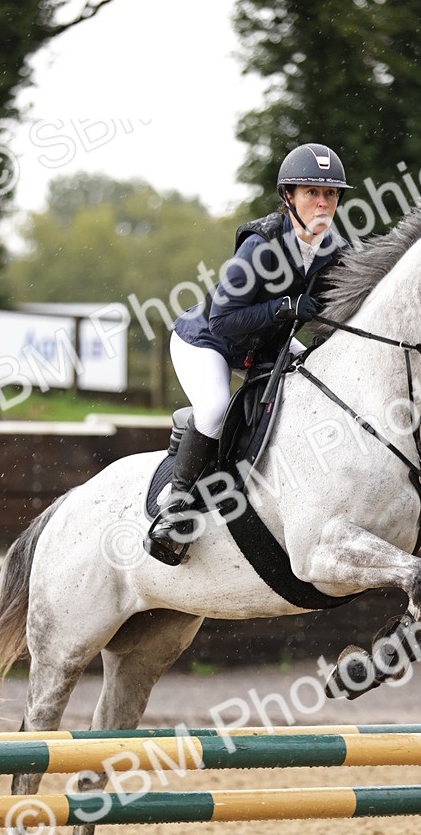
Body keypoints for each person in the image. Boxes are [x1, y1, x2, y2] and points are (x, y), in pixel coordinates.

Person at [144, 142, 352, 565]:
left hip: (265, 344)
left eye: (330, 194)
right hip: (207, 342)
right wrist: (285, 308)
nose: (322, 202)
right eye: (312, 192)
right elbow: (222, 319)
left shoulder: (334, 250)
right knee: (217, 406)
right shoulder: (262, 247)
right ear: (288, 197)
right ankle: (176, 504)